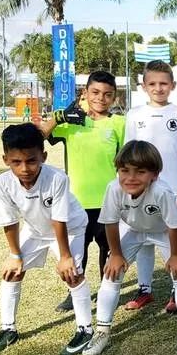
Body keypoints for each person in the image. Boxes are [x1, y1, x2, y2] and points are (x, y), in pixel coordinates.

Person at [0, 123, 93, 355]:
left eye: (31, 160)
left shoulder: (57, 178)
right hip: (35, 230)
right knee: (12, 272)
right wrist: (15, 256)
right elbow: (9, 221)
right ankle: (7, 328)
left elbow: (59, 219)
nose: (25, 168)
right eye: (16, 162)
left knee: (73, 274)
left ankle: (85, 328)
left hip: (70, 228)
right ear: (6, 160)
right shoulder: (0, 185)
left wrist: (65, 256)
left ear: (43, 156)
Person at [82, 140, 177, 355]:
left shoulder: (161, 191)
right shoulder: (113, 188)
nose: (131, 178)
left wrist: (176, 255)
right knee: (111, 273)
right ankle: (102, 331)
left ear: (155, 174)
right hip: (135, 230)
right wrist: (115, 254)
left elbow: (174, 225)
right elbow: (110, 222)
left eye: (140, 172)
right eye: (124, 171)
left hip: (163, 231)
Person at [40, 71, 125, 312]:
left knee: (108, 252)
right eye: (95, 92)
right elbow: (39, 137)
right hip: (76, 202)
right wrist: (59, 116)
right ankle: (74, 292)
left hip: (108, 202)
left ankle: (108, 291)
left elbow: (126, 160)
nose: (101, 98)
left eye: (108, 94)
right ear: (85, 93)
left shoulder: (119, 123)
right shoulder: (71, 122)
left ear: (114, 97)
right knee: (77, 254)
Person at [122, 60, 177, 313]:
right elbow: (128, 153)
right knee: (144, 242)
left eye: (164, 83)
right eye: (152, 83)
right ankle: (145, 289)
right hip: (142, 190)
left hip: (173, 190)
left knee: (176, 241)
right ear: (144, 86)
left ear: (172, 86)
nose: (158, 88)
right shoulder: (134, 115)